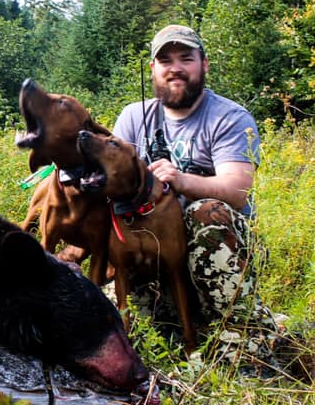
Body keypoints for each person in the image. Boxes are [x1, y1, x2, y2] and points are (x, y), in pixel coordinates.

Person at [113, 24, 277, 362]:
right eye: (166, 60)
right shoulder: (133, 117)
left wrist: (180, 179)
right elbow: (111, 184)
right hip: (154, 250)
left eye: (186, 58)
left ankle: (245, 347)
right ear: (153, 70)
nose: (175, 68)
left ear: (204, 64)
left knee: (207, 210)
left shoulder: (229, 117)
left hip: (214, 247)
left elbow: (237, 190)